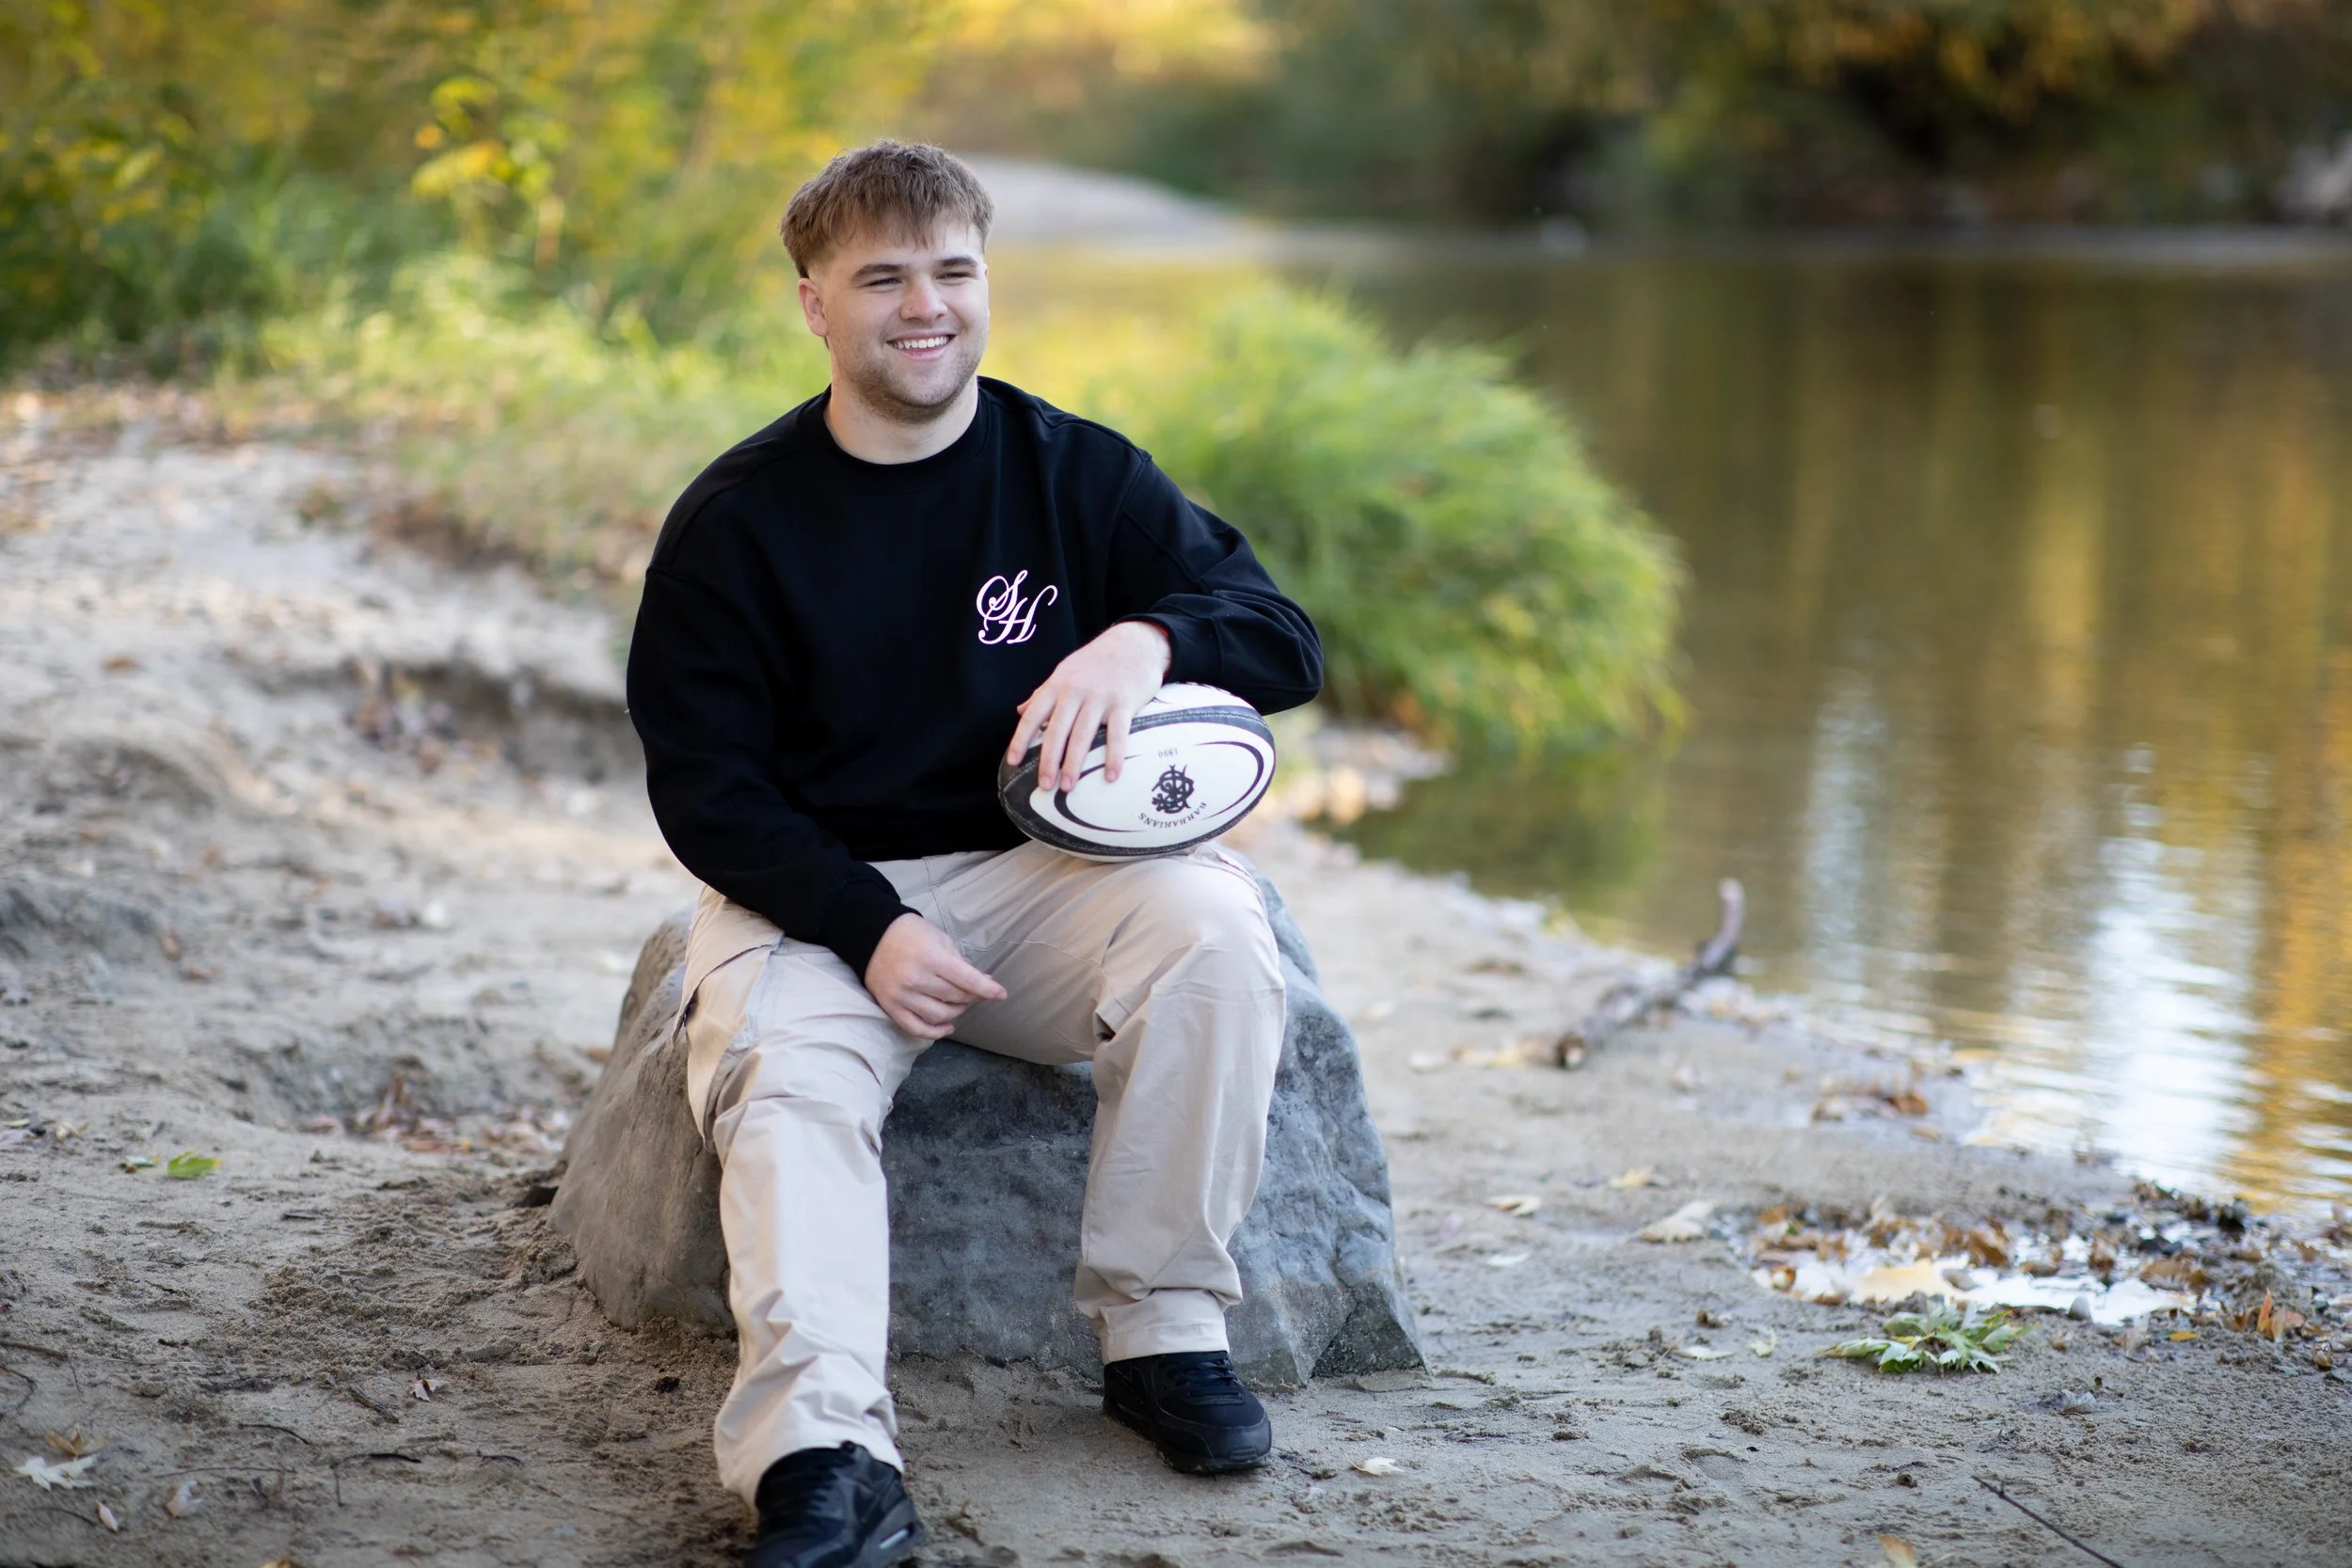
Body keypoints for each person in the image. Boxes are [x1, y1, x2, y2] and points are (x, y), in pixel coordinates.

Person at [625, 140, 1323, 1568]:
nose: (925, 305)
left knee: (1216, 930)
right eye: (883, 277)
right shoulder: (737, 523)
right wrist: (865, 920)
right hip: (816, 894)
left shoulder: (1072, 470)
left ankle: (1162, 1336)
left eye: (953, 270)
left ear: (986, 282)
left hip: (1041, 883)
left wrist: (1149, 635)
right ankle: (826, 1456)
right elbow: (708, 791)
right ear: (815, 302)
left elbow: (1280, 633)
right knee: (791, 1078)